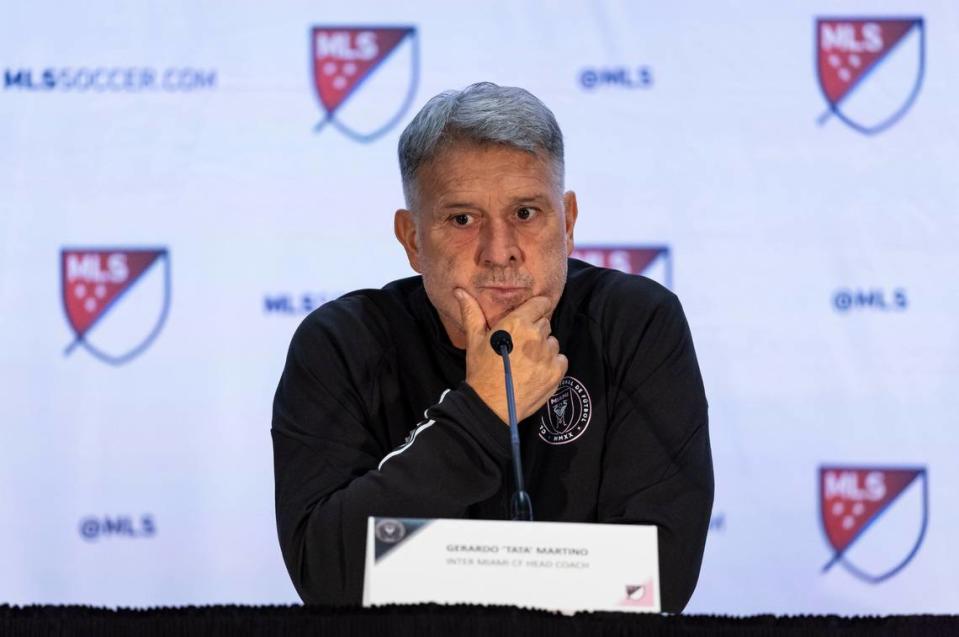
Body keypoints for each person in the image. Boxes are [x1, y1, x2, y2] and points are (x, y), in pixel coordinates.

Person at [272, 82, 713, 612]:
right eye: (462, 219)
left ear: (568, 224)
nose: (499, 251)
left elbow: (655, 573)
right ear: (412, 238)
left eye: (526, 213)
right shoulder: (340, 345)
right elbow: (326, 575)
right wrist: (482, 412)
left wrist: (416, 566)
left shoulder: (634, 325)